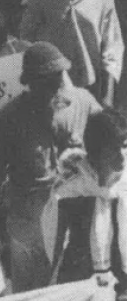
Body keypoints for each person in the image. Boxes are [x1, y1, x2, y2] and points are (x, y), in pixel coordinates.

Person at [0, 41, 101, 292]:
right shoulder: (9, 117)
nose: (55, 85)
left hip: (75, 213)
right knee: (31, 293)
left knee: (73, 288)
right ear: (30, 81)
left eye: (58, 77)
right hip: (29, 219)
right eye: (45, 80)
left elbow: (111, 142)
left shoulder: (82, 102)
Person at [42, 107, 127, 289]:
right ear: (96, 151)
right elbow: (54, 254)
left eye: (125, 145)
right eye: (112, 148)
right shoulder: (69, 192)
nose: (121, 155)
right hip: (84, 284)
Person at [19, 0, 123, 105]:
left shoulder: (102, 2)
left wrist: (107, 97)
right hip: (54, 90)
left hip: (94, 87)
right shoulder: (38, 3)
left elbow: (112, 49)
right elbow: (26, 42)